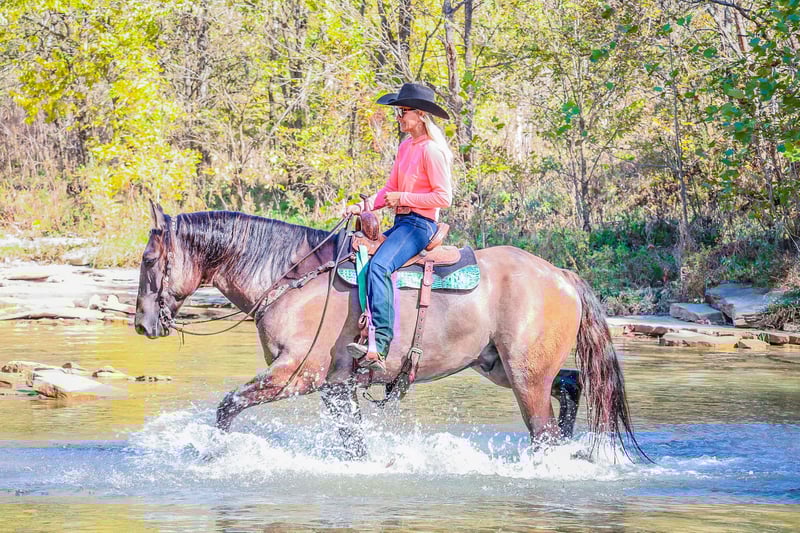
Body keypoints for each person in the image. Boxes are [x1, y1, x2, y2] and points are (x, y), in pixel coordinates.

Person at [344, 82, 454, 372]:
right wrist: (363, 207)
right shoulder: (406, 147)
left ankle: (380, 344)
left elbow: (444, 197)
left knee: (380, 266)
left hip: (420, 225)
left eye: (403, 111)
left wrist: (403, 198)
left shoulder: (432, 151)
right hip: (402, 222)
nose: (399, 117)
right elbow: (389, 189)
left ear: (420, 115)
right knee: (361, 256)